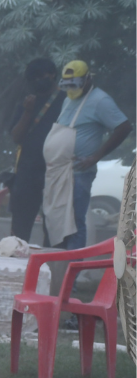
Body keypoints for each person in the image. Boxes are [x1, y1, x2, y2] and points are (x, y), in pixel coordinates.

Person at [41, 60, 132, 249]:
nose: (71, 90)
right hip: (58, 172)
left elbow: (124, 127)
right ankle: (57, 270)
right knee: (55, 222)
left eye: (75, 85)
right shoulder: (68, 99)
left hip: (78, 173)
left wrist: (96, 156)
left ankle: (72, 272)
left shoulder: (100, 100)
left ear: (88, 78)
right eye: (67, 86)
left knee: (73, 224)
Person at [7, 58, 65, 244]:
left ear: (53, 74)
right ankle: (17, 268)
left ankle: (50, 270)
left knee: (54, 229)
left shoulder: (67, 101)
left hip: (56, 172)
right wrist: (27, 111)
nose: (38, 81)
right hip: (28, 172)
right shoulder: (27, 102)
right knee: (20, 227)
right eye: (34, 78)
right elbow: (16, 137)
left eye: (42, 76)